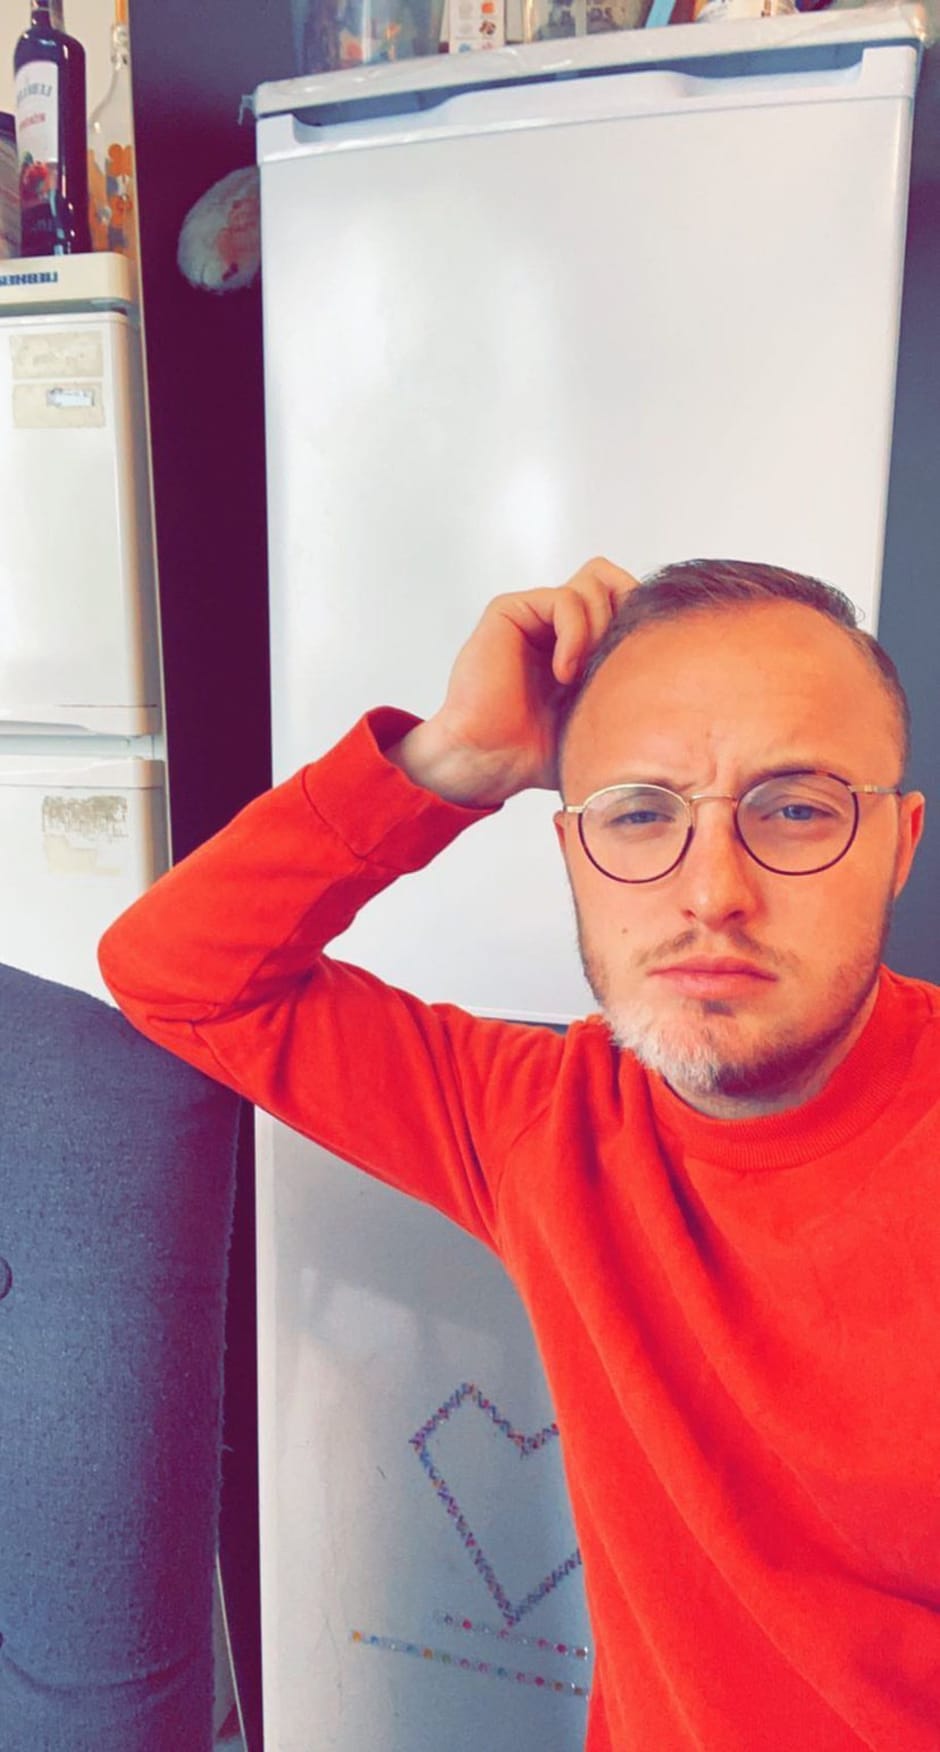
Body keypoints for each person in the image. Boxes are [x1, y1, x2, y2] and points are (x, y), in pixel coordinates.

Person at [98, 556, 939, 1751]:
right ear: (571, 856)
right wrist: (449, 763)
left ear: (897, 844)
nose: (712, 892)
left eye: (795, 808)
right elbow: (179, 973)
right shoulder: (540, 1120)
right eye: (639, 812)